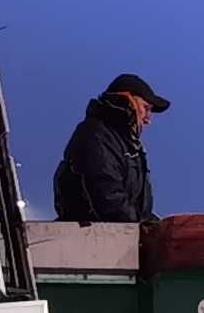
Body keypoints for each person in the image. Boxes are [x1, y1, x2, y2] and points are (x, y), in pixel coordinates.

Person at [52, 72, 167, 223]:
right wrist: (142, 227)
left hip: (116, 238)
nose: (147, 119)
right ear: (128, 100)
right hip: (89, 240)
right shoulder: (95, 135)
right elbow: (108, 199)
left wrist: (156, 227)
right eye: (146, 108)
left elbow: (137, 209)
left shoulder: (128, 146)